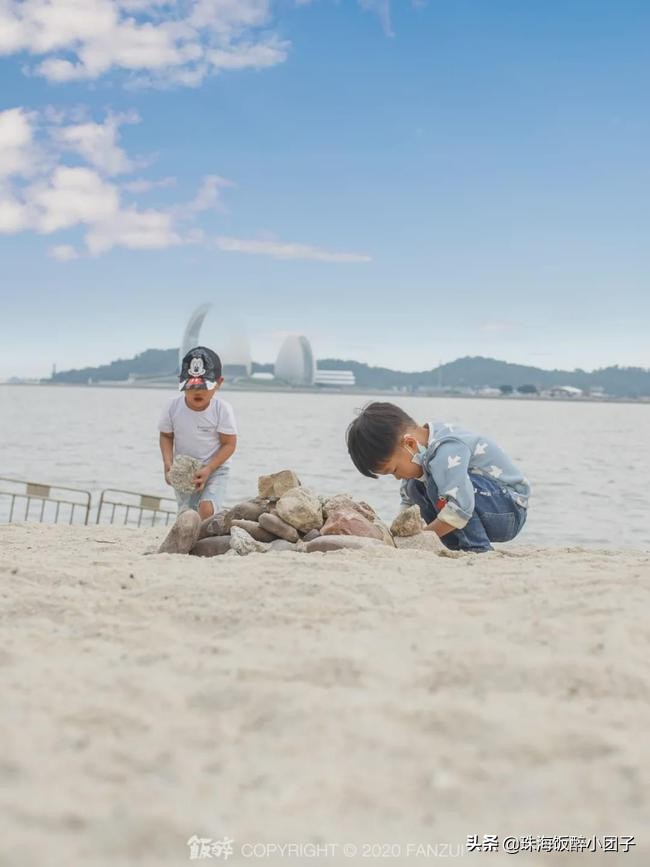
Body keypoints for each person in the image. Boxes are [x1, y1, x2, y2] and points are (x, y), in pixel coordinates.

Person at [346, 402, 530, 553]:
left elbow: (460, 507)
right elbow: (408, 504)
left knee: (436, 482)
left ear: (409, 443)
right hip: (483, 503)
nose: (396, 477)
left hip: (509, 509)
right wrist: (401, 532)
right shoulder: (421, 452)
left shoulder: (445, 451)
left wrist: (423, 536)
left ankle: (477, 548)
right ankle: (456, 546)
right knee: (414, 486)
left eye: (394, 470)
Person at [158, 346, 237, 520]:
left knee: (206, 509)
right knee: (187, 514)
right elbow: (166, 436)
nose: (197, 391)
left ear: (219, 383)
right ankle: (188, 542)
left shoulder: (222, 410)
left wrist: (209, 468)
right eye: (191, 386)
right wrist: (167, 462)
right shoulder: (172, 407)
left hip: (216, 468)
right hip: (185, 469)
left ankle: (204, 540)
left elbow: (229, 444)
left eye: (204, 386)